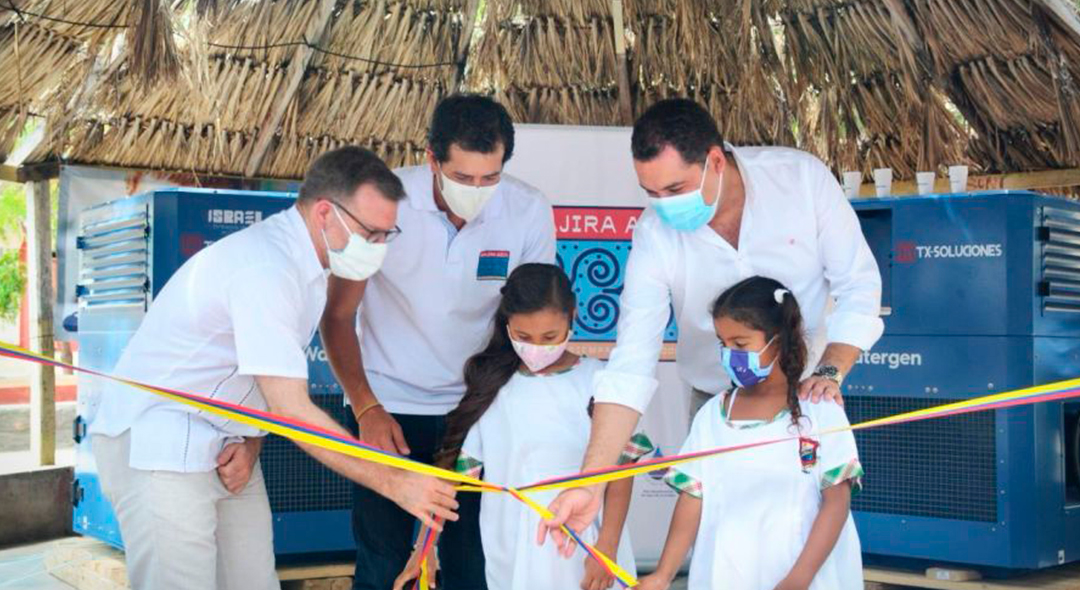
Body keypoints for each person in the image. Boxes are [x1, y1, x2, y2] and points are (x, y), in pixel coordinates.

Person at [89, 147, 459, 590]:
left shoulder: (311, 265)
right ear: (325, 212)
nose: (378, 248)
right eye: (371, 234)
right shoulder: (267, 266)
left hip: (228, 442)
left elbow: (255, 381)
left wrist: (251, 440)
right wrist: (395, 481)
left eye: (387, 235)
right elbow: (291, 410)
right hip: (159, 443)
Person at [540, 98, 884, 549]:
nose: (664, 206)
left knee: (807, 533)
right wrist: (591, 482)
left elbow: (859, 287)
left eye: (676, 189)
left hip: (807, 390)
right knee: (722, 544)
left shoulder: (801, 180)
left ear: (715, 161)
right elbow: (629, 366)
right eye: (651, 193)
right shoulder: (654, 235)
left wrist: (830, 371)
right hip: (713, 398)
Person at [321, 95, 556, 590]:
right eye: (463, 178)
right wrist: (367, 409)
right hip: (387, 407)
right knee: (383, 563)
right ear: (431, 158)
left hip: (477, 409)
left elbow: (530, 317)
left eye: (490, 178)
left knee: (471, 563)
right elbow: (338, 317)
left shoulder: (528, 209)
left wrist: (490, 404)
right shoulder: (383, 202)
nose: (477, 191)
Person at [392, 264, 650, 590]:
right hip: (513, 552)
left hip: (589, 550)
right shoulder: (494, 387)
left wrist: (606, 550)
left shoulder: (601, 383)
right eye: (523, 337)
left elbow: (622, 471)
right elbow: (454, 481)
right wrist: (423, 552)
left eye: (550, 337)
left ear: (572, 315)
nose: (537, 348)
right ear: (507, 324)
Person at [637, 276, 863, 590]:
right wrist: (663, 575)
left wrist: (800, 578)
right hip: (728, 573)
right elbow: (692, 499)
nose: (730, 354)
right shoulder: (713, 416)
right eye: (723, 343)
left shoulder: (821, 409)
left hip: (805, 576)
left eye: (740, 344)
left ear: (780, 339)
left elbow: (836, 502)